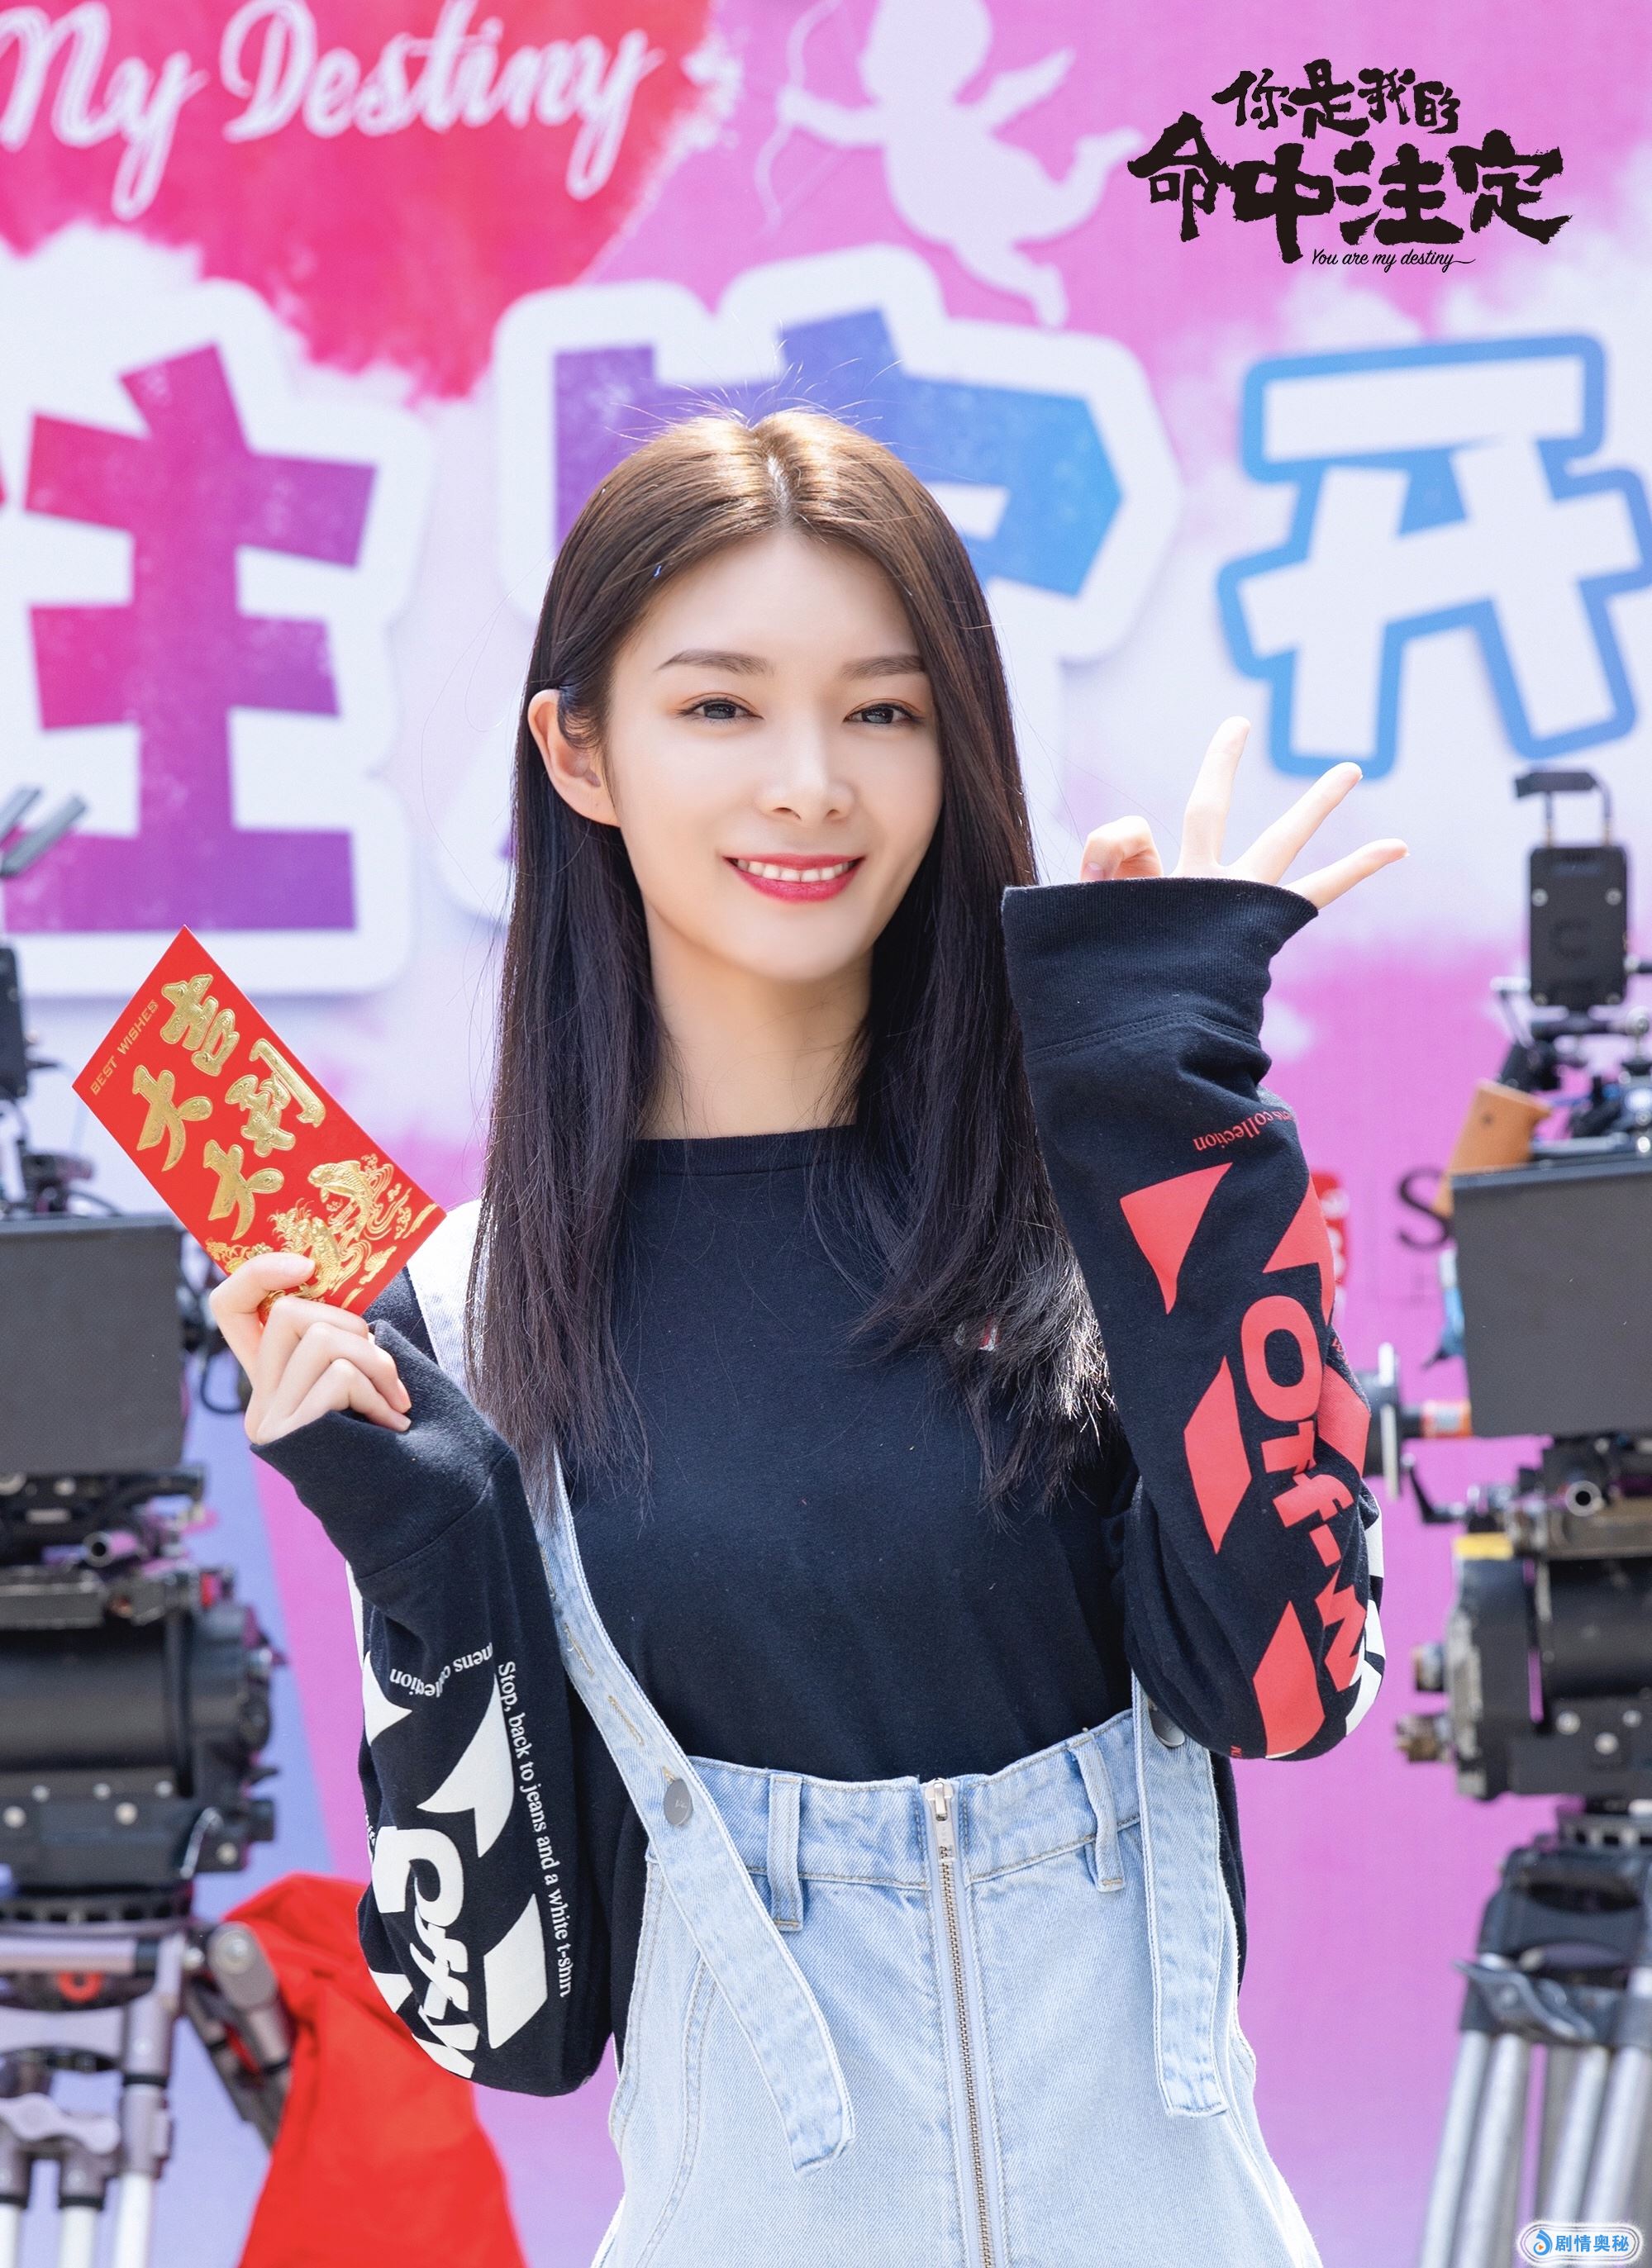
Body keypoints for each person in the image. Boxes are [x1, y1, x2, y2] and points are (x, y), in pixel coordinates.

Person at [212, 408, 1404, 2267]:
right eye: (719, 706)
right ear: (578, 750)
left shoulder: (1109, 1196)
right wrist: (429, 1542)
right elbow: (501, 2020)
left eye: (883, 710)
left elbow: (1292, 1681)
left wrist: (1171, 1117)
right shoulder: (460, 1310)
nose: (810, 782)